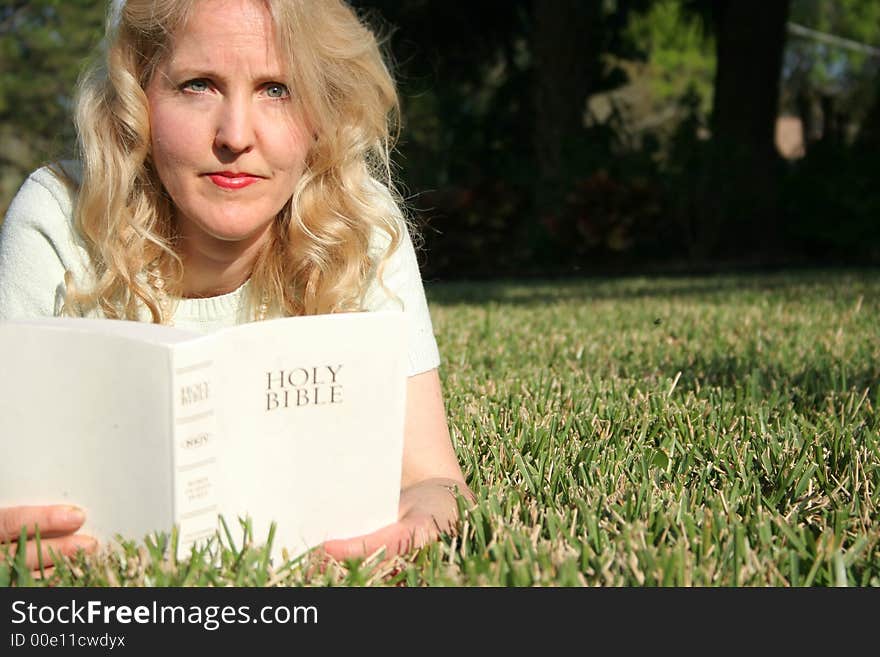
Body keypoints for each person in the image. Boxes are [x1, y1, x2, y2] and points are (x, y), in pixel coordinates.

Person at [0, 0, 472, 575]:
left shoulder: (359, 224)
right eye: (198, 85)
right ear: (138, 96)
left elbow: (434, 477)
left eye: (278, 89)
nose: (236, 136)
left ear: (324, 110)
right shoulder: (60, 218)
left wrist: (428, 517)